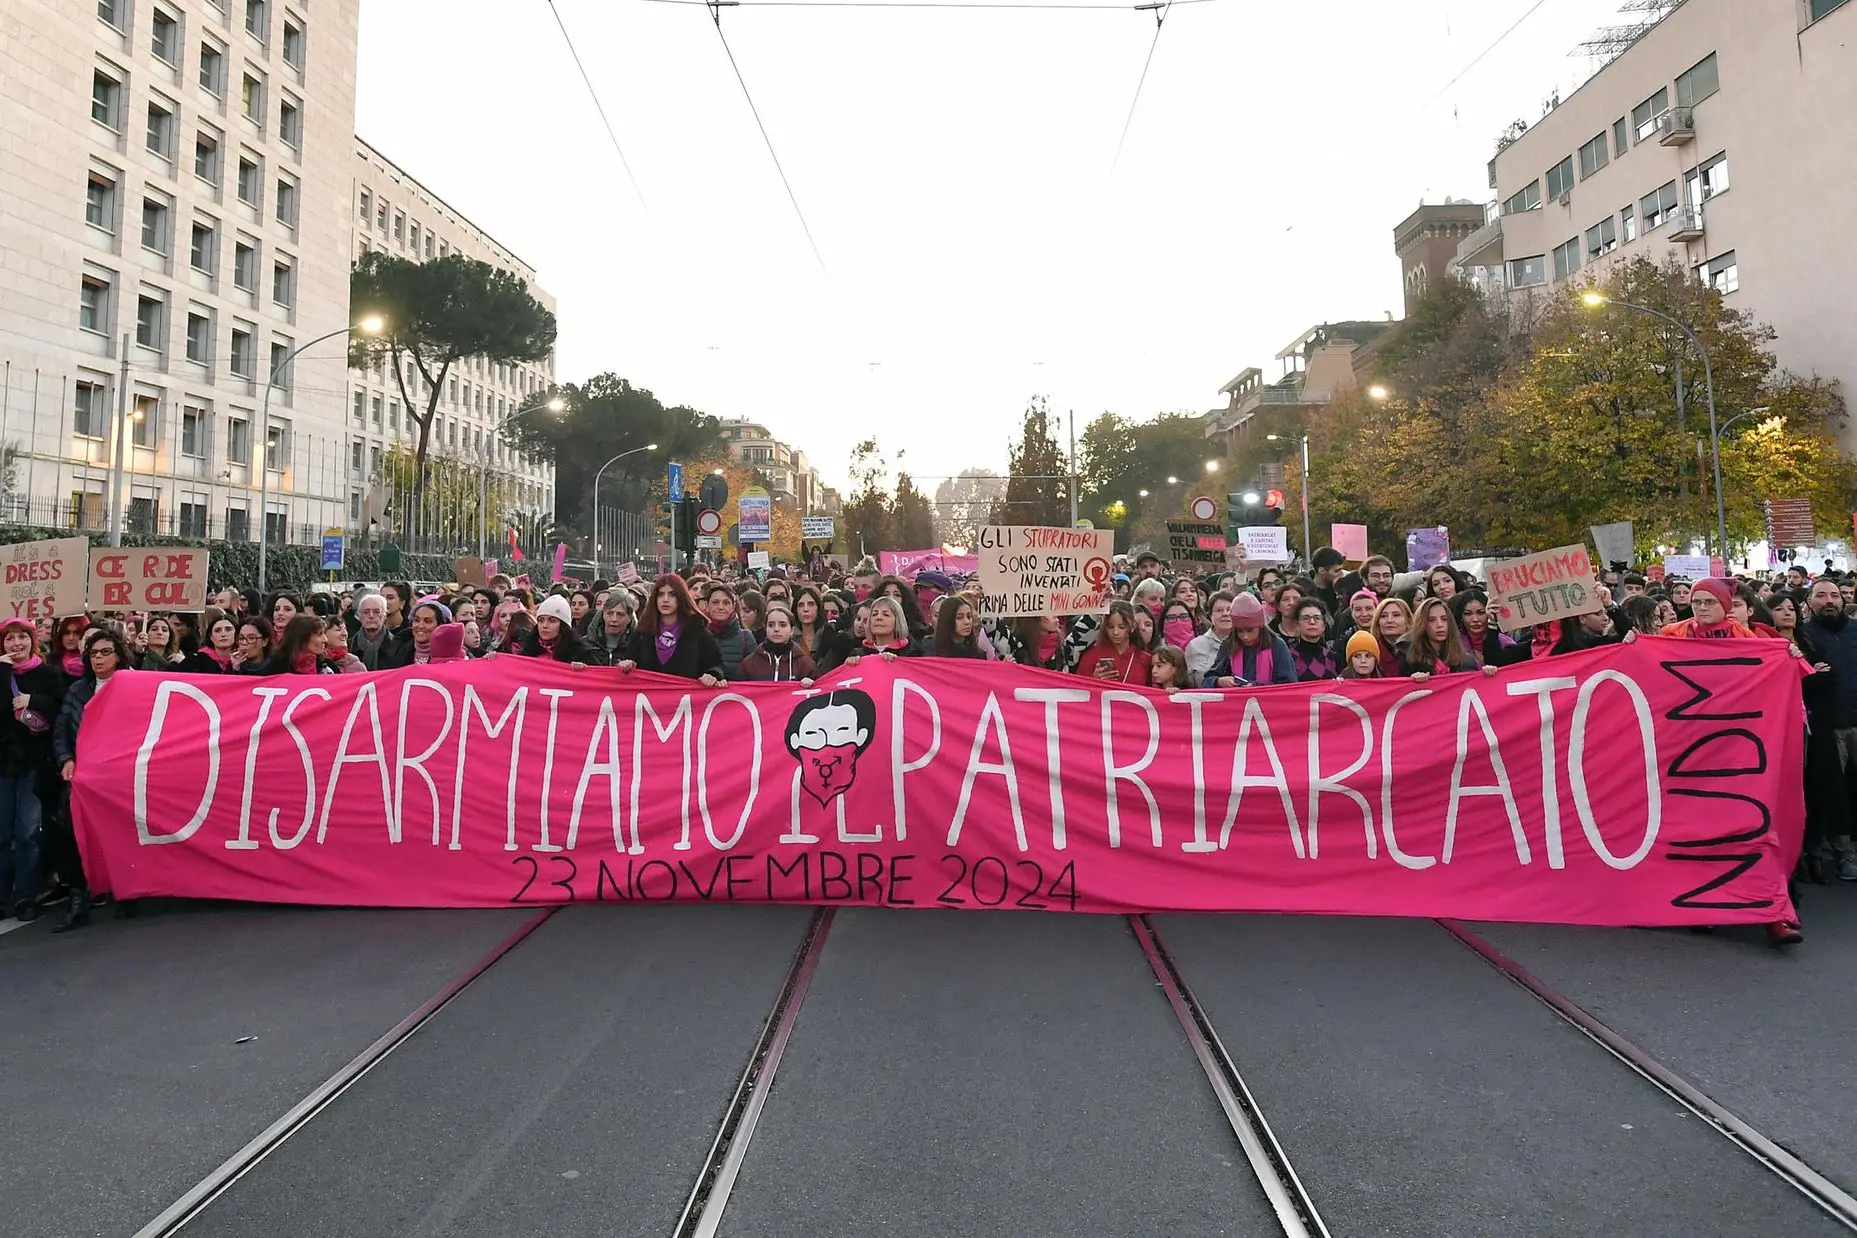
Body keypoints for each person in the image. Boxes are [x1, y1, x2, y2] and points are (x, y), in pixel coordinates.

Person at [51, 629, 133, 932]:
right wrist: (66, 760)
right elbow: (61, 731)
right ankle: (77, 902)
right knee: (72, 836)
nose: (99, 658)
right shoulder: (77, 691)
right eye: (94, 653)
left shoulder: (131, 687)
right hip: (83, 779)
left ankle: (126, 895)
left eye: (105, 652)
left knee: (118, 835)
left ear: (119, 655)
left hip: (118, 778)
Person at [0, 617, 60, 924]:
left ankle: (24, 896)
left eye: (22, 637)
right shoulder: (2, 672)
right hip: (3, 764)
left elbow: (60, 707)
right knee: (2, 834)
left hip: (34, 764)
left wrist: (32, 700)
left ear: (32, 641)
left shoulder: (48, 674)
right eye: (10, 639)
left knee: (26, 833)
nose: (16, 644)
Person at [1802, 576, 1857, 881]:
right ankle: (1842, 853)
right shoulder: (1804, 636)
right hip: (1828, 728)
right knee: (1833, 796)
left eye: (1834, 595)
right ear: (1810, 602)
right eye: (1821, 595)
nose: (1829, 601)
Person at [623, 574, 725, 684]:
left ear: (681, 597)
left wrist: (712, 675)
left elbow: (716, 666)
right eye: (661, 594)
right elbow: (629, 661)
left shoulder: (698, 632)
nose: (665, 600)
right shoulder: (642, 634)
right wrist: (627, 665)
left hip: (686, 699)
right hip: (648, 698)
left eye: (672, 595)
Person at [1209, 594, 1296, 688]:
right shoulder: (1229, 644)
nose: (1245, 637)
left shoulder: (1277, 646)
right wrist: (1218, 681)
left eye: (1250, 630)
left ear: (1260, 627)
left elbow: (1289, 684)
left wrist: (1257, 686)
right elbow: (1207, 680)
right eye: (1240, 631)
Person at [1402, 597, 1488, 680]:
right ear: (1422, 624)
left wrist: (1487, 675)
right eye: (1431, 620)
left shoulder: (1466, 662)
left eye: (1444, 619)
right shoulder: (1409, 660)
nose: (1439, 625)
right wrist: (1412, 682)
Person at [1073, 600, 1150, 685]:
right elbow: (1079, 688)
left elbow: (1155, 690)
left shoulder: (1144, 659)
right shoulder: (1092, 655)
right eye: (1110, 627)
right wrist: (1094, 679)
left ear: (1132, 627)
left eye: (1121, 627)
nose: (1115, 632)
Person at [740, 604, 818, 682]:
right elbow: (738, 690)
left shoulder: (805, 664)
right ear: (765, 629)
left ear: (792, 630)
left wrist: (810, 684)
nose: (776, 629)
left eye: (782, 625)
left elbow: (819, 689)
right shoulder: (749, 663)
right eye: (771, 625)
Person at [516, 595, 599, 667]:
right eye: (541, 620)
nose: (545, 625)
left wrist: (585, 670)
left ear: (563, 625)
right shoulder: (527, 652)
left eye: (552, 621)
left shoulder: (581, 654)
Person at [700, 581, 759, 681]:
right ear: (707, 605)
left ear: (733, 606)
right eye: (715, 602)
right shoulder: (697, 636)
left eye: (726, 603)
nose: (721, 607)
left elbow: (755, 675)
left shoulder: (746, 638)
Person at [847, 595, 920, 661]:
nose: (878, 618)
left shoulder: (912, 653)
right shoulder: (857, 654)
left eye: (886, 614)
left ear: (898, 620)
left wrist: (895, 663)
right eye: (874, 614)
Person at [1185, 593, 1233, 687]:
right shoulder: (1195, 646)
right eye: (1219, 610)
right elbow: (1188, 683)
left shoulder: (1246, 641)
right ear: (1210, 616)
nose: (1225, 614)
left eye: (1229, 610)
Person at [1287, 598, 1340, 681]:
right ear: (1297, 625)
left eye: (1317, 618)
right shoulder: (1288, 656)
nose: (1312, 622)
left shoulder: (1332, 657)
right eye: (1306, 618)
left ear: (1324, 626)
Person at [589, 592, 637, 665]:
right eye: (610, 613)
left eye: (620, 614)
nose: (614, 619)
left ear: (629, 618)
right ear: (603, 614)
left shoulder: (639, 647)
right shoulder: (585, 645)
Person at [1368, 597, 1412, 675]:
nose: (1389, 620)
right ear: (1378, 622)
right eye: (1383, 616)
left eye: (1396, 615)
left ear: (1408, 621)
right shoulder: (1370, 652)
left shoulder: (1421, 650)